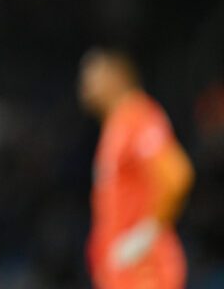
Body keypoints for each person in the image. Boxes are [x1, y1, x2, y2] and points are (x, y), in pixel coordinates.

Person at [78, 48, 193, 289]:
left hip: (145, 270)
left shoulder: (139, 116)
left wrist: (145, 235)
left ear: (118, 75)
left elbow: (177, 175)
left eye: (93, 73)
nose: (85, 83)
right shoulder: (115, 125)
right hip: (122, 271)